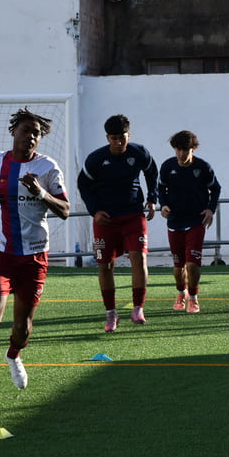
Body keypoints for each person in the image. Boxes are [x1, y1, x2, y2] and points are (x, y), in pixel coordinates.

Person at [0, 109, 70, 407]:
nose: (31, 136)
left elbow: (65, 211)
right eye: (26, 130)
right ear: (13, 130)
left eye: (36, 133)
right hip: (0, 251)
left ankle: (13, 354)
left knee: (23, 326)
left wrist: (41, 193)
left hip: (35, 254)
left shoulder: (47, 168)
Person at [77, 114, 158, 332]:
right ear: (107, 138)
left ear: (129, 135)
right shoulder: (95, 159)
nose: (118, 142)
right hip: (107, 219)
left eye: (122, 137)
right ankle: (111, 313)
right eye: (114, 138)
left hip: (133, 215)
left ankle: (138, 308)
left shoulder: (139, 153)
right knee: (105, 265)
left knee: (138, 258)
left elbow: (152, 172)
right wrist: (94, 210)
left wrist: (152, 198)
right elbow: (83, 185)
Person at [158, 130, 221, 313]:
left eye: (186, 150)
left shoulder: (203, 167)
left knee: (193, 263)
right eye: (178, 150)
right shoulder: (167, 166)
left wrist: (210, 209)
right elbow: (161, 188)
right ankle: (181, 293)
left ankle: (193, 297)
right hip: (175, 221)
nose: (181, 154)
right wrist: (163, 205)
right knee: (179, 267)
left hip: (196, 221)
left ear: (193, 149)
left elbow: (215, 189)